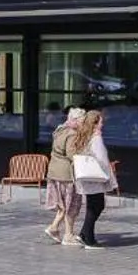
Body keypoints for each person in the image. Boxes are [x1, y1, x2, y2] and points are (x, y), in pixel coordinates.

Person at [72, 108, 117, 250]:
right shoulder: (96, 138)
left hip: (86, 177)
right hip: (95, 176)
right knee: (97, 205)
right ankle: (87, 237)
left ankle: (86, 235)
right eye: (101, 122)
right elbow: (102, 158)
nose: (103, 124)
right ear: (95, 123)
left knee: (92, 205)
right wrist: (108, 174)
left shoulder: (84, 136)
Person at [45, 107, 84, 246]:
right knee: (71, 205)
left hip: (54, 172)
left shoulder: (60, 130)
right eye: (81, 121)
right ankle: (67, 235)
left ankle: (55, 228)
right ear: (75, 120)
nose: (83, 124)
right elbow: (71, 154)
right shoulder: (72, 134)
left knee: (64, 206)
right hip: (66, 174)